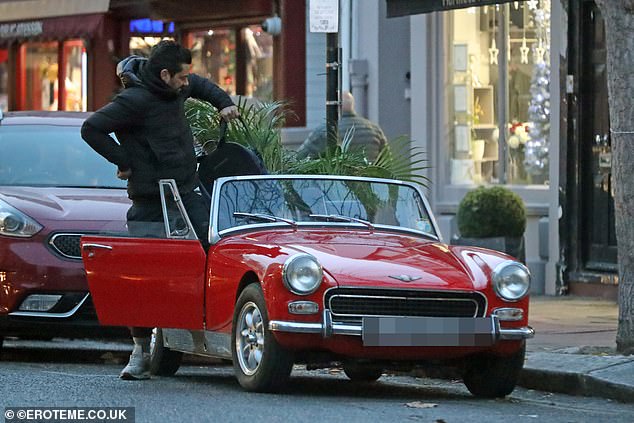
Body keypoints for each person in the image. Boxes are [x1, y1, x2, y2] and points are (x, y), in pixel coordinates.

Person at [81, 40, 239, 381]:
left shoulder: (177, 88)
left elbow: (202, 85)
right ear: (165, 74)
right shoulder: (132, 101)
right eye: (181, 78)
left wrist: (223, 103)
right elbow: (91, 129)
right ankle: (140, 351)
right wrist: (125, 161)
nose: (187, 83)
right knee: (144, 278)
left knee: (216, 252)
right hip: (151, 200)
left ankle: (214, 336)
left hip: (189, 191)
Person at [296, 91, 387, 161]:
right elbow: (387, 162)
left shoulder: (325, 130)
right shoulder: (374, 130)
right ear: (353, 105)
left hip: (336, 184)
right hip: (370, 183)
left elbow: (299, 158)